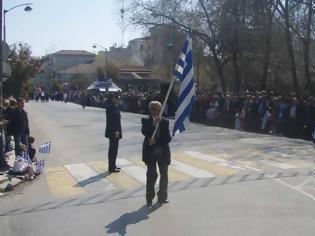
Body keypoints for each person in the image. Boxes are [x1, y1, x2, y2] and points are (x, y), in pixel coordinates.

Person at [141, 101, 171, 206]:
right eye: (154, 109)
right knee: (152, 175)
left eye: (159, 109)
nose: (157, 112)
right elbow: (144, 131)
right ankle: (149, 198)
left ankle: (162, 197)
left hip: (162, 152)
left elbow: (168, 138)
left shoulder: (165, 122)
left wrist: (161, 139)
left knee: (164, 175)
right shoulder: (145, 120)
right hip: (151, 153)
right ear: (150, 110)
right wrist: (153, 125)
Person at [105, 93, 122, 173]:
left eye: (118, 98)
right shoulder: (110, 108)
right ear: (112, 99)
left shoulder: (116, 107)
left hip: (117, 131)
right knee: (112, 149)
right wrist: (115, 131)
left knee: (115, 149)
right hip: (113, 132)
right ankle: (111, 167)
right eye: (116, 98)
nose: (118, 99)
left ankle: (113, 165)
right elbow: (111, 121)